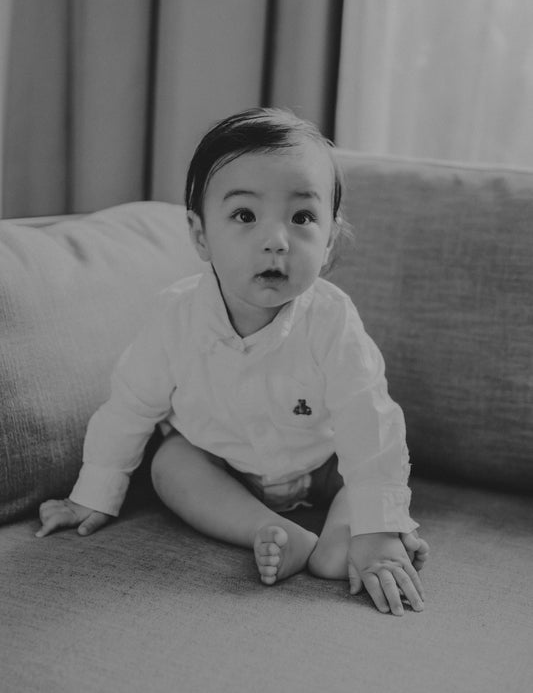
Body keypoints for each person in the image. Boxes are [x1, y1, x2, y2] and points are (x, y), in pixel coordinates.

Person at [37, 107, 429, 616]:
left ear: (329, 240)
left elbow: (368, 420)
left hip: (322, 462)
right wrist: (93, 494)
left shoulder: (332, 320)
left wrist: (379, 526)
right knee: (171, 465)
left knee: (362, 467)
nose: (276, 240)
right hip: (224, 467)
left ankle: (349, 536)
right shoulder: (176, 318)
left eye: (302, 218)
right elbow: (130, 407)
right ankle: (272, 531)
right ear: (200, 235)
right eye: (245, 216)